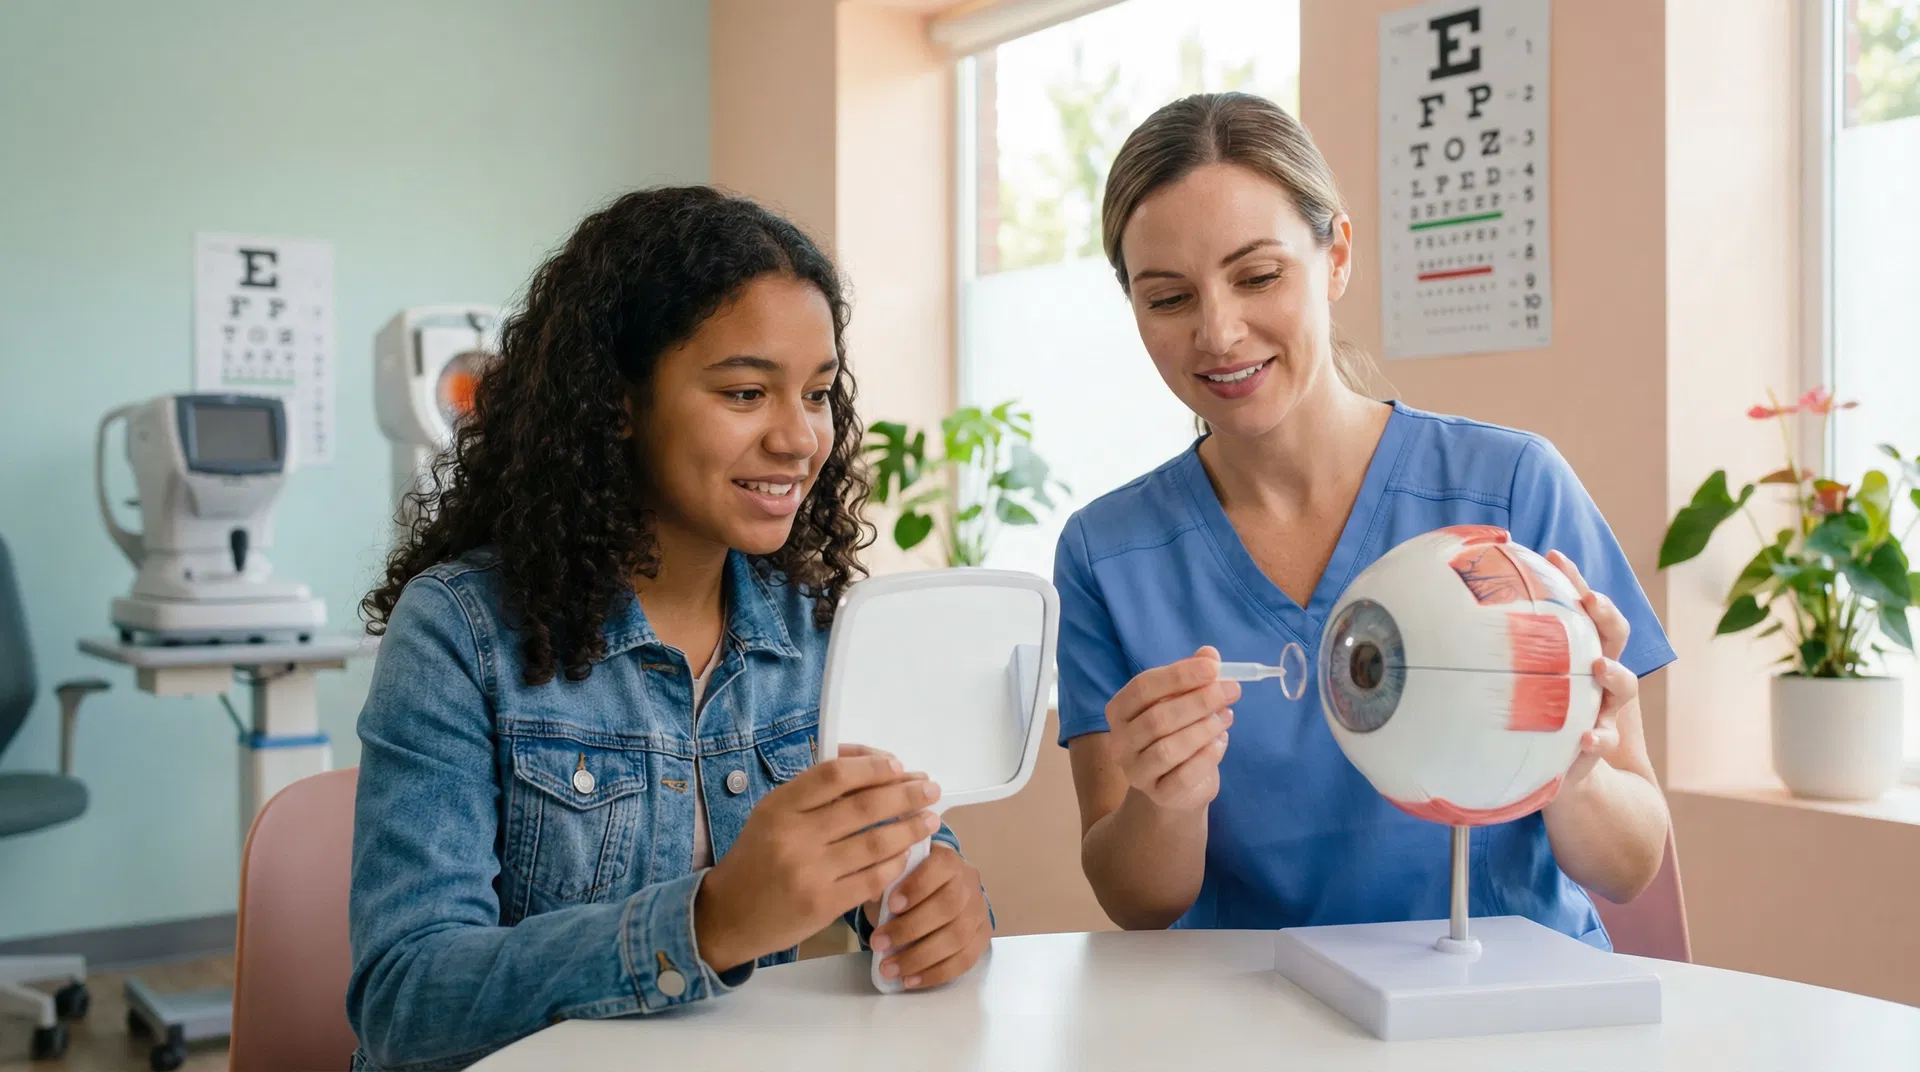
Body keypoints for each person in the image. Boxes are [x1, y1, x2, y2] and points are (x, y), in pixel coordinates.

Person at [347, 187, 993, 1071]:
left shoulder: (819, 632)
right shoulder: (459, 631)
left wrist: (941, 907)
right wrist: (710, 921)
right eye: (744, 392)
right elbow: (406, 1002)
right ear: (615, 402)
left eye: (817, 393)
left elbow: (915, 861)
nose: (801, 437)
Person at [1056, 94, 1674, 945]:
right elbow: (1137, 901)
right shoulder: (1108, 555)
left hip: (1499, 1018)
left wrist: (1574, 772)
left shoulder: (1510, 491)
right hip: (1255, 1022)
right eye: (1168, 298)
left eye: (1259, 276)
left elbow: (1631, 864)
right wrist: (1168, 803)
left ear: (1336, 255)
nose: (1219, 332)